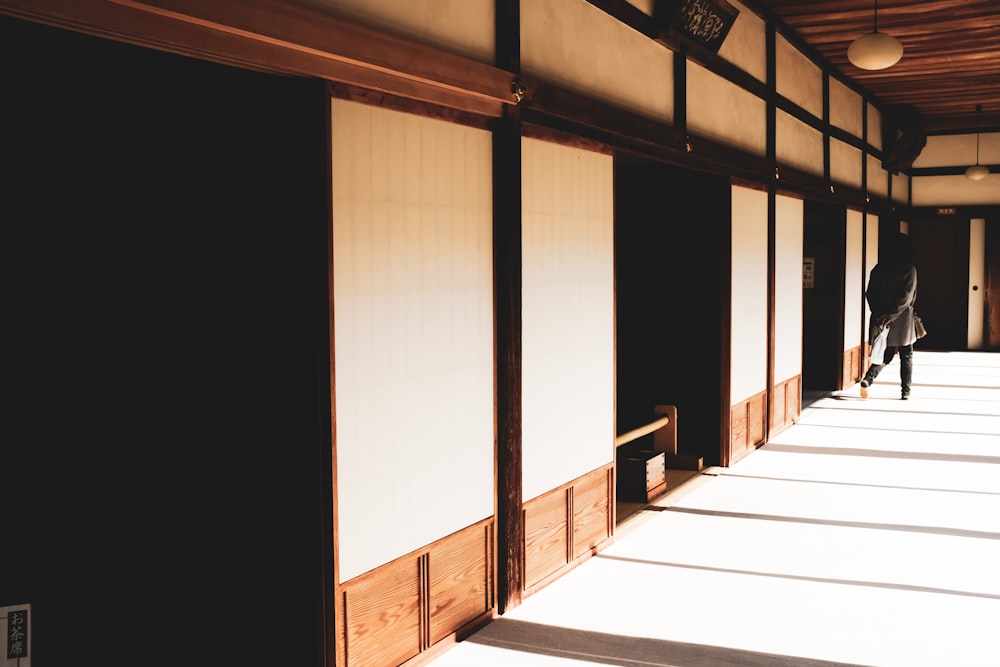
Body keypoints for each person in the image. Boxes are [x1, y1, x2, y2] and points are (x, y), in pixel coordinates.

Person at [860, 232, 918, 400]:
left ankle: (867, 380)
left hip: (880, 319)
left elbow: (869, 293)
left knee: (886, 352)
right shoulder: (909, 269)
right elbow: (907, 297)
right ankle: (905, 391)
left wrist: (878, 313)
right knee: (906, 354)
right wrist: (892, 315)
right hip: (902, 319)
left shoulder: (879, 268)